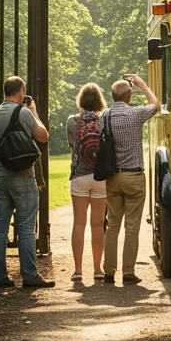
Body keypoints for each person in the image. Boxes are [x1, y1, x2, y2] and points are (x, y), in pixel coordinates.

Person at [0, 76, 54, 289]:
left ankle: (0, 277)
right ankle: (29, 275)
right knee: (26, 226)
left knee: (0, 225)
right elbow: (43, 137)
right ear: (21, 92)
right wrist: (34, 111)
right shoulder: (23, 112)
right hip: (23, 176)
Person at [103, 72, 160, 285]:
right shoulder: (136, 114)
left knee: (112, 225)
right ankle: (128, 272)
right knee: (132, 227)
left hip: (113, 177)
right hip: (134, 175)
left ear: (113, 96)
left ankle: (109, 271)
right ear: (128, 97)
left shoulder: (105, 116)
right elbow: (156, 105)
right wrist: (142, 84)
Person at [66, 82, 108, 283]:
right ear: (99, 100)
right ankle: (98, 269)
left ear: (81, 100)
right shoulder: (104, 120)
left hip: (79, 176)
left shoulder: (72, 121)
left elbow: (73, 145)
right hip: (101, 177)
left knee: (79, 223)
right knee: (98, 225)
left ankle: (78, 270)